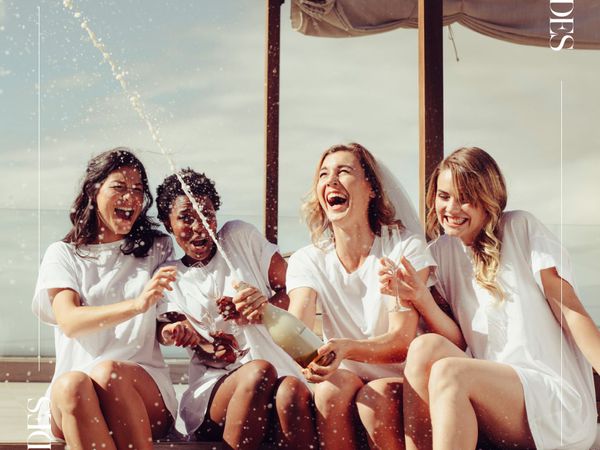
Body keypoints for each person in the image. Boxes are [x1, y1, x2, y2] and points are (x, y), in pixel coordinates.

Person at [401, 146, 598, 450]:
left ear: (487, 200)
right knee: (424, 348)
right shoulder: (440, 254)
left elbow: (571, 312)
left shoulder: (520, 228)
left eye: (465, 198)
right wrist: (420, 297)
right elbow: (455, 340)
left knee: (450, 371)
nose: (451, 208)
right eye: (444, 196)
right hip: (494, 398)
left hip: (553, 401)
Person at [286, 143, 463, 450]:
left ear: (370, 188)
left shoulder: (402, 247)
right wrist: (270, 320)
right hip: (345, 372)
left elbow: (401, 341)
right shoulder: (307, 259)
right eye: (324, 174)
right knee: (328, 391)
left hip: (402, 377)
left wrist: (346, 348)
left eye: (344, 171)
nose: (331, 181)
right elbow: (296, 322)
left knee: (374, 398)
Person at [155, 169, 317, 450]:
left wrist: (260, 310)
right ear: (168, 225)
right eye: (185, 218)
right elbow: (173, 331)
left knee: (291, 391)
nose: (199, 226)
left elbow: (293, 289)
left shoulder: (238, 237)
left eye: (207, 214)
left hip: (279, 372)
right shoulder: (171, 275)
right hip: (216, 392)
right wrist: (187, 336)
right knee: (258, 373)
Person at [31, 148, 178, 450]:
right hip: (77, 398)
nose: (131, 197)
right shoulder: (63, 254)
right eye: (119, 187)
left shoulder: (157, 248)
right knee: (73, 383)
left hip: (142, 388)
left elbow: (166, 318)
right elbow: (70, 322)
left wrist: (178, 329)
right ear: (93, 190)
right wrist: (137, 305)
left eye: (138, 190)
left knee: (109, 373)